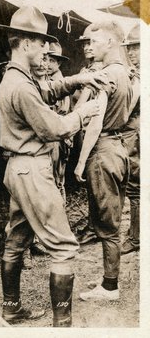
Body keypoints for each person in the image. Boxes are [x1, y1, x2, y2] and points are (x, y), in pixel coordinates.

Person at [0, 6, 106, 326]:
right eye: (42, 43)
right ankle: (63, 325)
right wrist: (84, 114)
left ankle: (12, 308)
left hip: (18, 170)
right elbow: (53, 130)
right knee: (63, 247)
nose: (47, 50)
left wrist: (79, 79)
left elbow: (48, 90)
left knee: (16, 241)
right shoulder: (21, 85)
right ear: (27, 43)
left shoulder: (15, 77)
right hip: (34, 170)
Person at [74, 20, 132, 301]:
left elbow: (96, 124)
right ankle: (110, 283)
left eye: (93, 42)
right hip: (118, 147)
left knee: (107, 223)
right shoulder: (125, 74)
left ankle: (110, 287)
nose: (89, 46)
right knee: (112, 216)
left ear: (110, 42)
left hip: (102, 149)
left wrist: (79, 162)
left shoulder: (108, 74)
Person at [73, 26, 103, 245]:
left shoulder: (99, 70)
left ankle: (96, 227)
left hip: (94, 128)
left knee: (94, 179)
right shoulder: (86, 69)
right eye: (84, 44)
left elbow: (83, 101)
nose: (87, 48)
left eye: (91, 43)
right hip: (83, 126)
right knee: (90, 181)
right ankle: (94, 223)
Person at [120, 24, 140, 254]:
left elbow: (128, 108)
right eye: (130, 48)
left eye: (136, 47)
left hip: (137, 132)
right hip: (136, 131)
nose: (132, 52)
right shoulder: (135, 73)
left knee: (135, 186)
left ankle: (136, 237)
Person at [47, 42, 71, 204]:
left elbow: (59, 113)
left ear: (59, 63)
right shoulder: (48, 80)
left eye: (52, 61)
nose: (47, 64)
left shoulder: (59, 84)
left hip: (57, 136)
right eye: (45, 59)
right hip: (51, 133)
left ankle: (58, 213)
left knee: (56, 177)